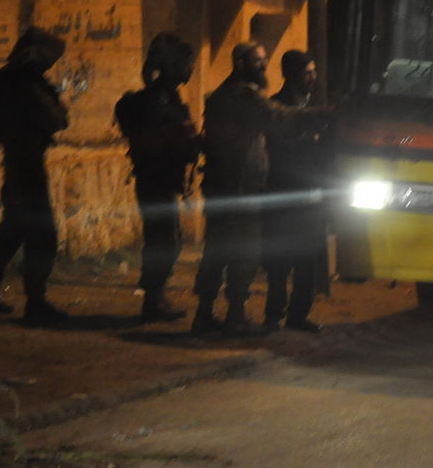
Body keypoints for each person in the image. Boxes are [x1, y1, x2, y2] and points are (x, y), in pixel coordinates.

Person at [194, 42, 329, 338]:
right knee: (243, 253)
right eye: (258, 61)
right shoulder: (244, 96)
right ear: (240, 63)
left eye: (265, 60)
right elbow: (279, 118)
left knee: (216, 251)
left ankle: (204, 313)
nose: (264, 66)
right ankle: (235, 316)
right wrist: (321, 115)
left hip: (222, 185)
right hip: (240, 188)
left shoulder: (220, 95)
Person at [0, 26, 70, 326]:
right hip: (27, 167)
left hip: (15, 164)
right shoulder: (26, 84)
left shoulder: (5, 81)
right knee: (43, 234)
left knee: (12, 232)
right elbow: (57, 118)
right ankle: (36, 302)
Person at [114, 33, 200, 323]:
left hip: (160, 176)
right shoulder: (159, 100)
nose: (190, 69)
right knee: (164, 241)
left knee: (165, 239)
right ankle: (153, 299)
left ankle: (155, 296)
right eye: (186, 63)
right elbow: (164, 138)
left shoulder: (166, 96)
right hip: (156, 176)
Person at [261, 50, 328, 333]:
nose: (312, 78)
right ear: (291, 75)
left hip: (310, 193)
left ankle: (298, 315)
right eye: (307, 72)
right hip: (284, 191)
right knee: (280, 259)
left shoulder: (312, 105)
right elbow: (278, 148)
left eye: (313, 71)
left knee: (308, 259)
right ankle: (274, 314)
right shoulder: (277, 106)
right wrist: (307, 140)